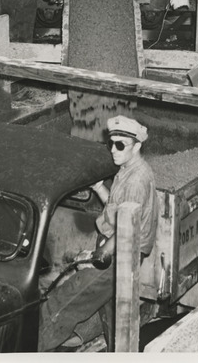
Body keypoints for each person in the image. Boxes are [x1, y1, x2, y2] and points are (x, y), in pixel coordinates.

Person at [39, 115, 158, 351]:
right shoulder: (127, 169)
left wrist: (96, 258)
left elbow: (125, 230)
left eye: (120, 145)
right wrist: (98, 188)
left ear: (137, 146)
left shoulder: (136, 180)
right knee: (112, 313)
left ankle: (31, 348)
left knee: (62, 302)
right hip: (115, 249)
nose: (113, 150)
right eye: (111, 143)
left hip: (119, 254)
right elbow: (116, 212)